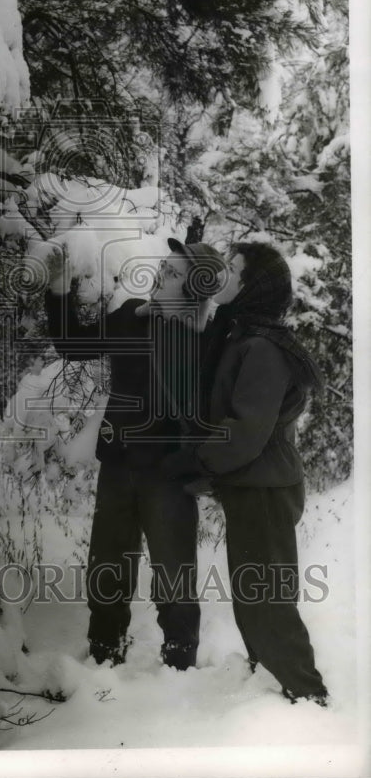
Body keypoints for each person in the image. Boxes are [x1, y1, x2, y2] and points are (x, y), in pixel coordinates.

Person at [45, 237, 225, 670]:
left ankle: (180, 666)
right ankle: (105, 654)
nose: (162, 273)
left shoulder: (208, 338)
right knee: (107, 566)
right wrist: (57, 289)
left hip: (168, 473)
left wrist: (197, 458)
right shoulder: (130, 317)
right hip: (118, 463)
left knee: (174, 574)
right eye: (165, 265)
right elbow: (74, 345)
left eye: (175, 272)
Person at [161, 241, 329, 705]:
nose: (224, 277)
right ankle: (272, 686)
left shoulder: (261, 348)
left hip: (265, 491)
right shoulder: (241, 334)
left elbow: (245, 432)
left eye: (233, 270)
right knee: (256, 597)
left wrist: (195, 460)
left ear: (252, 286)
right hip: (255, 487)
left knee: (267, 602)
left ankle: (309, 697)